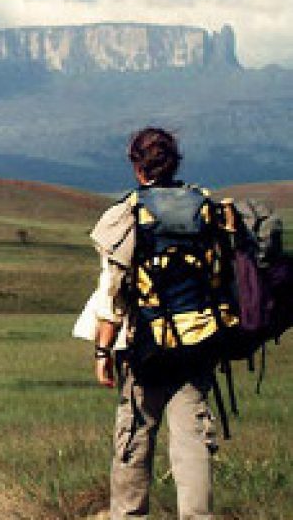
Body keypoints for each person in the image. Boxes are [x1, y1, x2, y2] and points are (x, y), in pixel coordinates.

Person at [75, 127, 233, 519]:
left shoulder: (127, 213)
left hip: (145, 350)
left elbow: (111, 296)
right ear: (175, 161)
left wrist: (101, 352)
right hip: (198, 346)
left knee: (133, 441)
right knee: (193, 443)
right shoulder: (207, 207)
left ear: (136, 165)